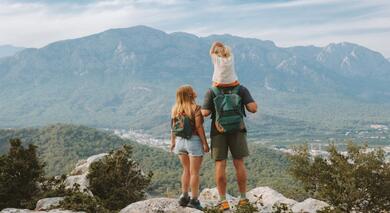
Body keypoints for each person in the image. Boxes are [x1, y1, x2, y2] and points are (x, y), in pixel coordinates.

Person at [202, 42, 258, 211]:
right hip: (238, 130)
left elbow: (204, 113)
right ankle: (242, 199)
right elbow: (253, 109)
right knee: (239, 163)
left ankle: (223, 200)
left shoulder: (211, 92)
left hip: (218, 132)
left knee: (220, 164)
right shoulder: (241, 89)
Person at [170, 85, 210, 210]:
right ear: (189, 94)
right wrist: (205, 143)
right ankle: (194, 200)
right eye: (192, 90)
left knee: (186, 170)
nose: (195, 92)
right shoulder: (196, 108)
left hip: (180, 142)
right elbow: (199, 127)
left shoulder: (175, 109)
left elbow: (172, 128)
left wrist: (173, 142)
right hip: (193, 141)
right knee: (194, 173)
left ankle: (184, 196)